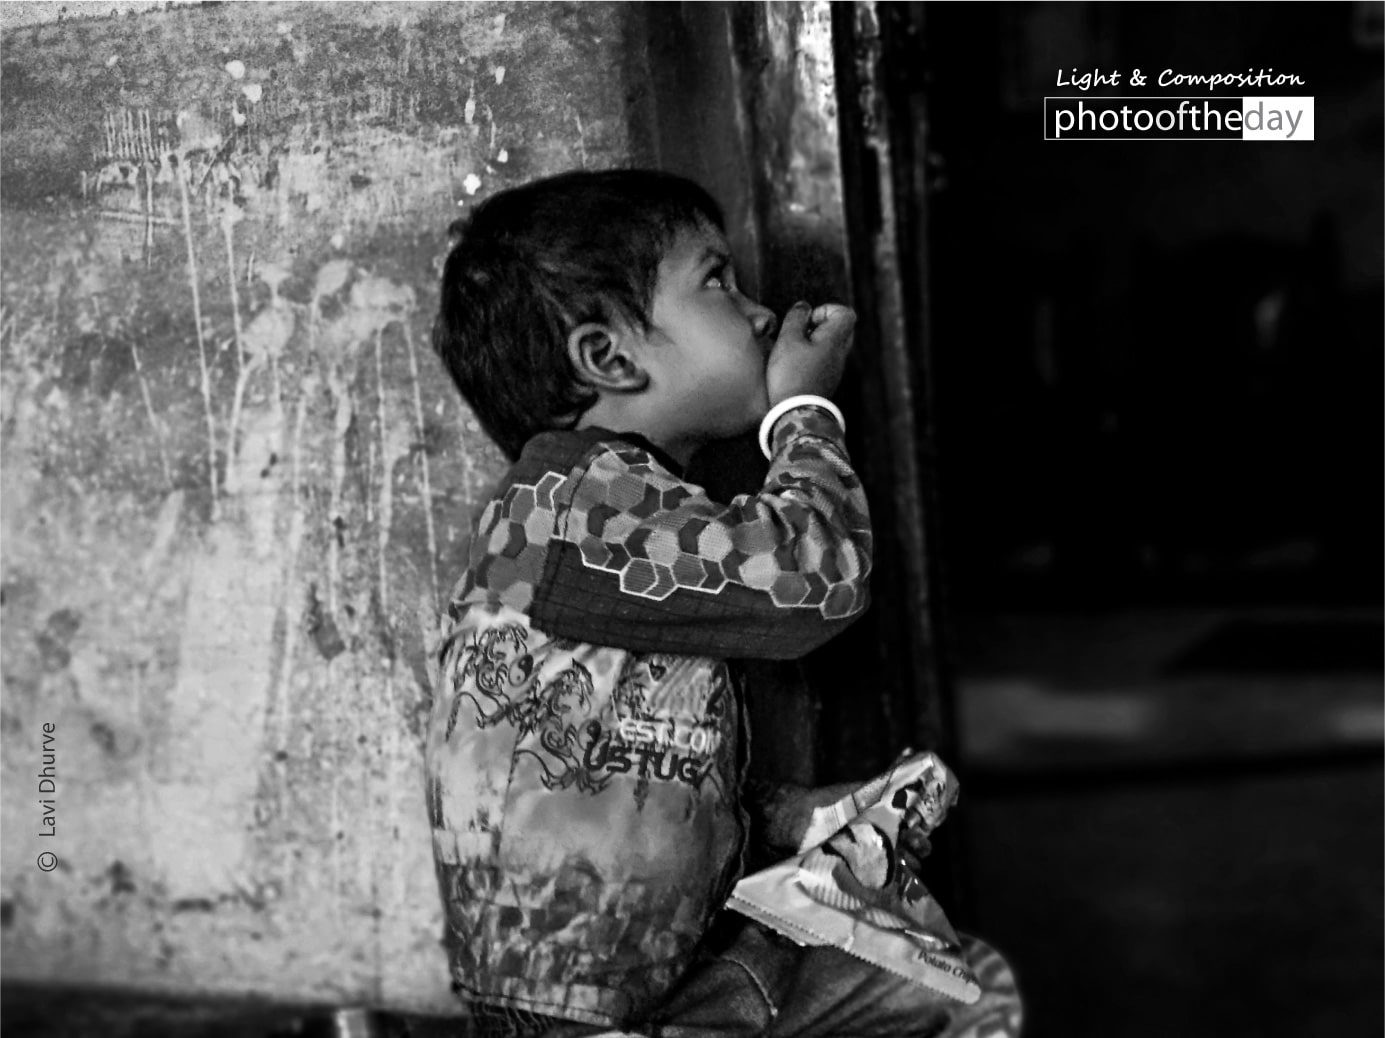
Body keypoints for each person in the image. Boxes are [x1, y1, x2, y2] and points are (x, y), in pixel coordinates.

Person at [424, 169, 1020, 1037]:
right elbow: (816, 579)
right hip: (583, 1015)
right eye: (716, 281)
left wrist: (800, 816)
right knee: (960, 994)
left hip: (656, 990)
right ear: (609, 358)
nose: (757, 313)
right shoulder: (574, 504)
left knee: (959, 986)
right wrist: (805, 410)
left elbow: (636, 756)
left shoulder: (609, 511)